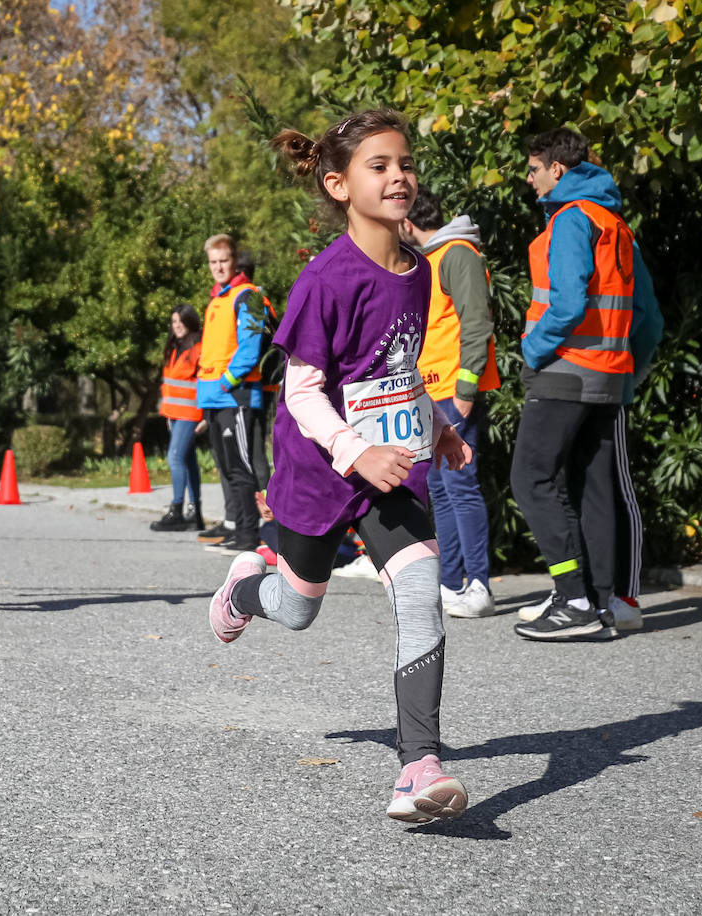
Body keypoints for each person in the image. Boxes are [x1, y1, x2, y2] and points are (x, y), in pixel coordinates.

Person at [209, 108, 473, 823]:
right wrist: (356, 450)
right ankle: (241, 592)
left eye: (405, 164)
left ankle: (419, 765)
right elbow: (301, 392)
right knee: (296, 610)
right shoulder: (325, 279)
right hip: (317, 469)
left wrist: (439, 425)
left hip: (389, 470)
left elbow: (396, 369)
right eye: (379, 166)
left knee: (420, 587)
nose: (399, 177)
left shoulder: (419, 273)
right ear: (337, 183)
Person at [510, 127, 659, 640]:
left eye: (533, 169)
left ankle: (572, 600)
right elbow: (646, 316)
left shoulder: (572, 220)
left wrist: (531, 349)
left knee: (531, 478)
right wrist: (624, 369)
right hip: (606, 375)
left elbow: (568, 305)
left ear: (557, 169)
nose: (528, 179)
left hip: (565, 370)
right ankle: (600, 604)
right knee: (594, 488)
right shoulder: (613, 222)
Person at [402, 187, 501, 618]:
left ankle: (478, 585)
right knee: (441, 491)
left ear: (408, 222)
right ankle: (451, 583)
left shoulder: (456, 253)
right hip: (432, 392)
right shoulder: (434, 258)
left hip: (451, 393)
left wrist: (463, 395)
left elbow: (476, 325)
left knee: (460, 488)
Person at [196, 234, 269, 554]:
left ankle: (248, 536)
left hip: (234, 395)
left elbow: (250, 349)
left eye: (223, 261)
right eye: (213, 262)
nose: (218, 267)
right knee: (227, 469)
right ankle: (238, 530)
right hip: (212, 398)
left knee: (242, 469)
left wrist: (227, 381)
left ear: (235, 260)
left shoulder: (248, 296)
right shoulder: (216, 299)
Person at [150, 303, 206, 532]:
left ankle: (177, 510)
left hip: (190, 414)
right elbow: (172, 386)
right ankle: (195, 514)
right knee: (188, 460)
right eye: (173, 322)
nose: (177, 326)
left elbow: (204, 384)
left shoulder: (199, 349)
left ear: (190, 322)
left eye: (180, 321)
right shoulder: (174, 348)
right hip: (175, 415)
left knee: (174, 458)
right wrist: (167, 413)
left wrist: (206, 417)